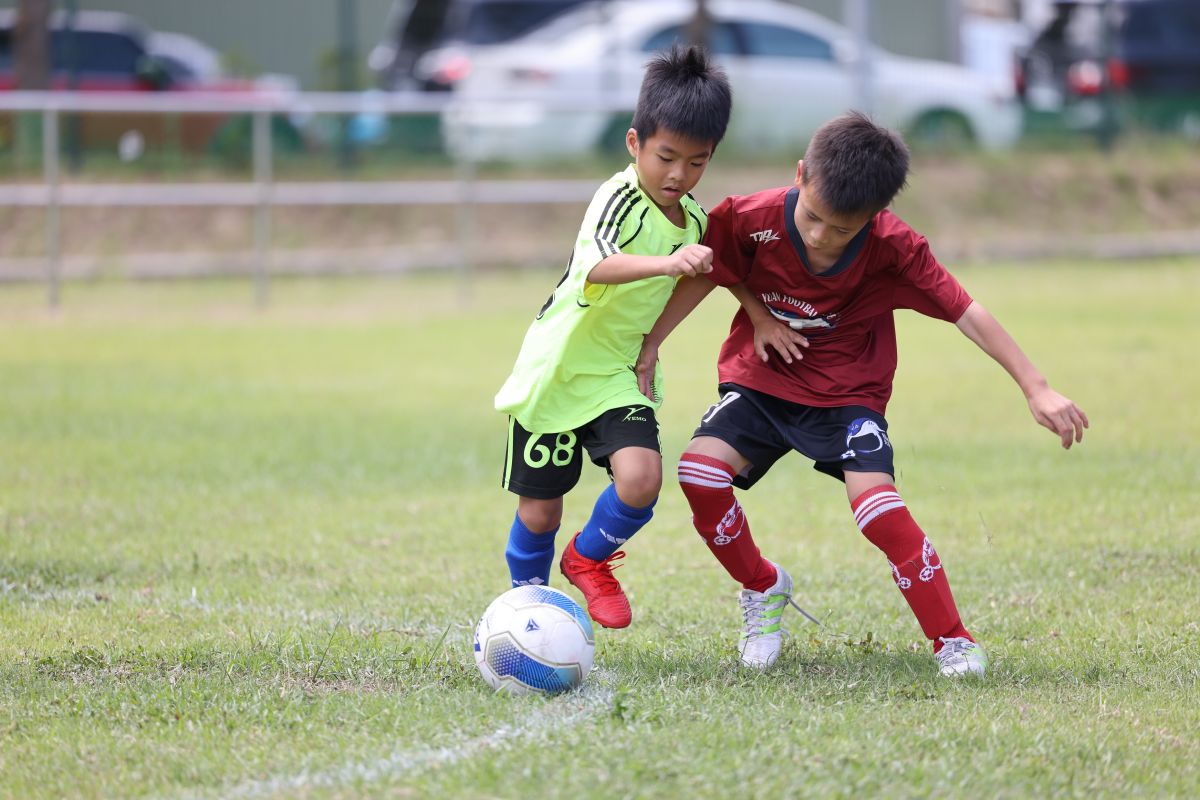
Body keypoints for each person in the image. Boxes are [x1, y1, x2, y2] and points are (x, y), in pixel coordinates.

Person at [637, 111, 1088, 674]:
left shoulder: (896, 249)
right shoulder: (748, 217)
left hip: (851, 393)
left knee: (876, 510)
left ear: (876, 217)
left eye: (843, 229)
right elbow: (712, 271)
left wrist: (1036, 387)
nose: (822, 236)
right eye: (814, 218)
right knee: (699, 475)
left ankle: (953, 641)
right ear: (799, 175)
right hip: (764, 379)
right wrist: (657, 342)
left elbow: (967, 312)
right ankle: (763, 586)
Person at [494, 44, 733, 629]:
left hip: (618, 373)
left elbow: (704, 278)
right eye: (666, 156)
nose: (679, 174)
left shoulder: (696, 222)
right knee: (541, 509)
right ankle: (527, 612)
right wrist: (667, 261)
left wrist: (652, 344)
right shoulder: (617, 198)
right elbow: (594, 267)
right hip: (559, 370)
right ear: (635, 144)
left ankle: (588, 560)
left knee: (642, 477)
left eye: (697, 162)